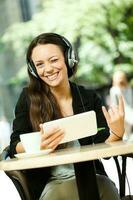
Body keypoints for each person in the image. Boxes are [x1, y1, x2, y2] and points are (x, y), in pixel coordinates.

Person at [9, 33, 125, 200]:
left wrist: (117, 133)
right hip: (52, 183)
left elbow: (104, 149)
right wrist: (36, 144)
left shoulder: (88, 97)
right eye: (39, 64)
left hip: (93, 177)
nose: (48, 69)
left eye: (54, 60)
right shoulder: (28, 98)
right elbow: (14, 147)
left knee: (106, 189)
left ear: (69, 59)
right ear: (33, 70)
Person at [110, 70, 133, 139]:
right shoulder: (114, 90)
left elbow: (130, 103)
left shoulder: (128, 89)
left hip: (129, 111)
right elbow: (114, 105)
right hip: (120, 112)